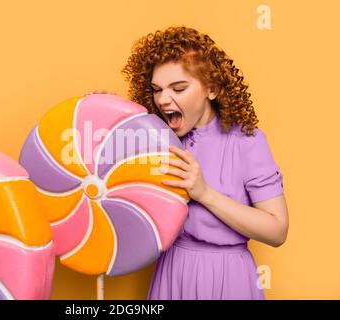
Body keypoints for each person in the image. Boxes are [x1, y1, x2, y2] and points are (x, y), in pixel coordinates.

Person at [88, 26, 289, 300]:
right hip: (171, 273)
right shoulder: (152, 139)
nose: (163, 99)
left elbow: (277, 231)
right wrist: (102, 119)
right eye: (157, 89)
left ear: (212, 88)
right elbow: (107, 187)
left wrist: (204, 193)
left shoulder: (247, 143)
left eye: (178, 88)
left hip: (228, 278)